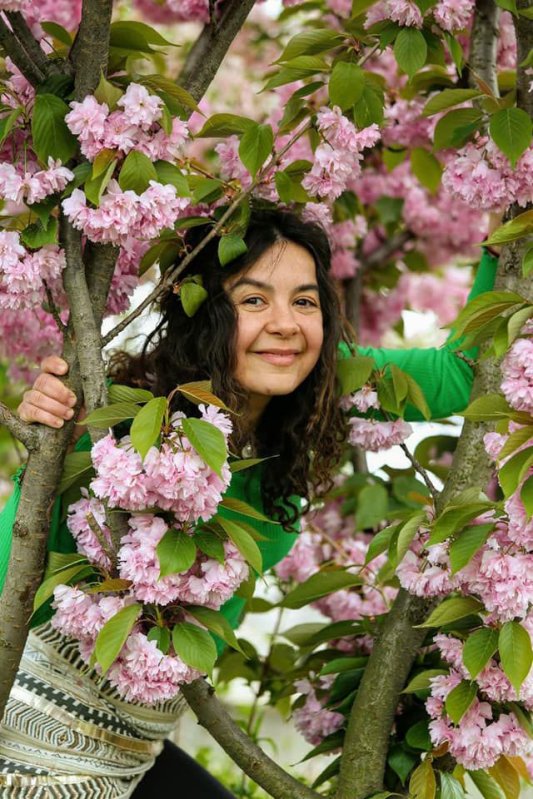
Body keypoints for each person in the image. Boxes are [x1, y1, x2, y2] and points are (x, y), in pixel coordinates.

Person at [0, 209, 497, 797]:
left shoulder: (320, 388)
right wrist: (52, 425)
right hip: (29, 725)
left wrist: (511, 218)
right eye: (254, 301)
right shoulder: (123, 424)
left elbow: (470, 374)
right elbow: (14, 558)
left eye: (305, 302)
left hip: (139, 739)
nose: (286, 324)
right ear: (205, 314)